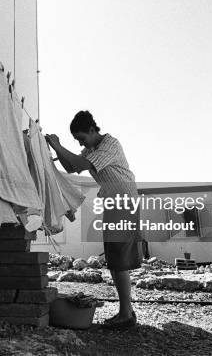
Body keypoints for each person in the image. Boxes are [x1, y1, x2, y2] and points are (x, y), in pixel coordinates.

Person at [45, 110, 141, 329]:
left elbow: (81, 165)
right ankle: (126, 312)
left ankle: (127, 314)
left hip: (124, 201)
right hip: (114, 202)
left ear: (92, 130)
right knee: (114, 260)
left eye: (82, 138)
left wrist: (58, 146)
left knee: (119, 259)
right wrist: (55, 147)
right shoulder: (91, 149)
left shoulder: (109, 144)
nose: (81, 143)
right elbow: (72, 165)